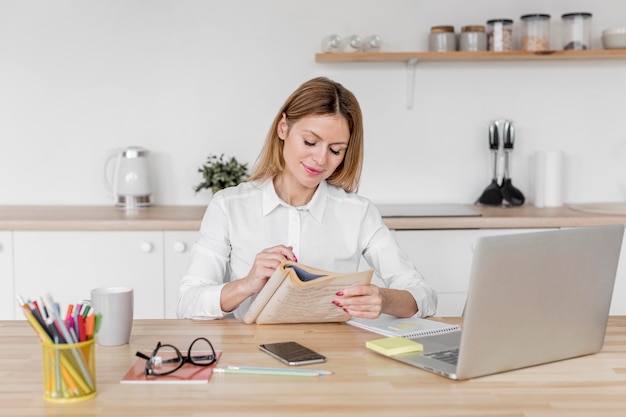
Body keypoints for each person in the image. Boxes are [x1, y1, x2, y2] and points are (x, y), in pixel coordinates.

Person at [177, 77, 437, 320]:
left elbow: (423, 294)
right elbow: (187, 302)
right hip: (253, 355)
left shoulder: (358, 212)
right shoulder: (229, 206)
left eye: (336, 150)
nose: (321, 159)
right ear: (283, 128)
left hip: (337, 356)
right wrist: (246, 285)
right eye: (310, 142)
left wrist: (384, 298)